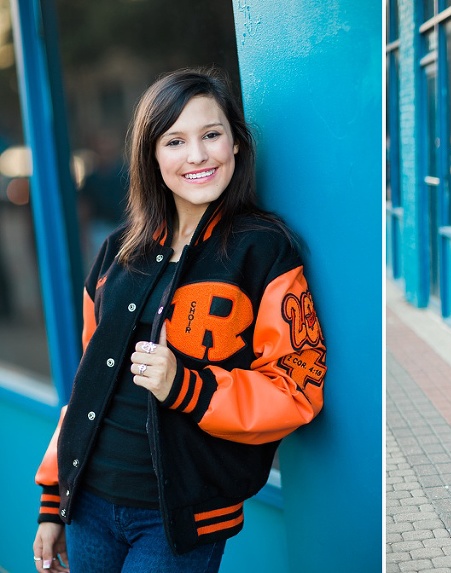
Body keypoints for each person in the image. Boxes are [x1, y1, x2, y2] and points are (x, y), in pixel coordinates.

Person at [32, 67, 326, 572]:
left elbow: (298, 389)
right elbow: (88, 385)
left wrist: (185, 386)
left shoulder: (264, 249)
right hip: (89, 502)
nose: (196, 155)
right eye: (175, 140)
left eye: (211, 135)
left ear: (236, 142)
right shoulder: (117, 251)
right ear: (153, 156)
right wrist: (53, 497)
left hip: (178, 519)